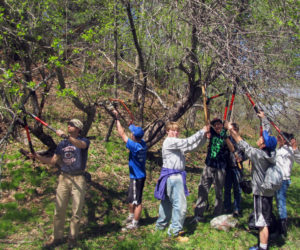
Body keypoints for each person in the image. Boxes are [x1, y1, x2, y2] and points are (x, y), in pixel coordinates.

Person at [29, 119, 90, 249]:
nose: (69, 126)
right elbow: (52, 161)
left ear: (78, 128)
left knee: (76, 212)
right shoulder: (62, 144)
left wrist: (66, 136)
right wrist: (37, 157)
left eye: (72, 125)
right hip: (64, 178)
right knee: (59, 210)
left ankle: (72, 238)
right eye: (68, 124)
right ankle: (56, 237)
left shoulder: (84, 141)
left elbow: (80, 145)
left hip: (79, 178)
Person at [225, 111, 277, 250]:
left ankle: (262, 247)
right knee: (264, 218)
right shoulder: (272, 152)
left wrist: (230, 129)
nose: (260, 138)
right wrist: (264, 119)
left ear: (263, 144)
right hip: (268, 191)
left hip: (260, 193)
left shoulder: (258, 155)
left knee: (262, 222)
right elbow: (268, 133)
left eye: (262, 138)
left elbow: (241, 143)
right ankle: (263, 243)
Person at [155, 122, 209, 240]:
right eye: (172, 130)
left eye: (176, 130)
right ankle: (175, 232)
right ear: (167, 132)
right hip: (173, 177)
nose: (175, 132)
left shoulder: (176, 144)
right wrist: (202, 131)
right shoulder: (170, 142)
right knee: (180, 206)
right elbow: (187, 141)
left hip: (173, 177)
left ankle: (160, 227)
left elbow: (193, 146)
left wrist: (204, 137)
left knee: (167, 203)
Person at [193, 118, 234, 222]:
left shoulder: (227, 136)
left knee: (219, 192)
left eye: (219, 124)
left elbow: (232, 149)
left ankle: (217, 215)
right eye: (215, 125)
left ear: (222, 125)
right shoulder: (211, 132)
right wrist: (206, 103)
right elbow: (206, 122)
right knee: (203, 189)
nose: (217, 126)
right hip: (209, 166)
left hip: (221, 168)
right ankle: (199, 214)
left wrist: (225, 137)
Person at [112, 110, 147, 231]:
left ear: (133, 136)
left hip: (137, 177)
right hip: (137, 176)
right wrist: (130, 124)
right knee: (131, 198)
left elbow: (122, 134)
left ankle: (135, 223)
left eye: (132, 133)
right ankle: (131, 216)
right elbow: (133, 131)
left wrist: (117, 118)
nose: (130, 134)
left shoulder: (135, 146)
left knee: (137, 201)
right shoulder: (142, 143)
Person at [275, 132, 300, 236]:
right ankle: (279, 224)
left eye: (279, 137)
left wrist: (295, 149)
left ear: (284, 139)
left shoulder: (289, 150)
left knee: (281, 203)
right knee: (278, 202)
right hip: (276, 179)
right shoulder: (279, 149)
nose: (277, 139)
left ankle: (283, 229)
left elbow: (299, 159)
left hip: (284, 180)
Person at [223, 122, 246, 217]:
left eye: (234, 130)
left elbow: (246, 154)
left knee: (237, 189)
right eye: (230, 130)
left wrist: (241, 158)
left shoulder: (241, 141)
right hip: (228, 167)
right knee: (227, 188)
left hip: (237, 168)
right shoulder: (226, 139)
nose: (232, 132)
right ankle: (227, 207)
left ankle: (237, 208)